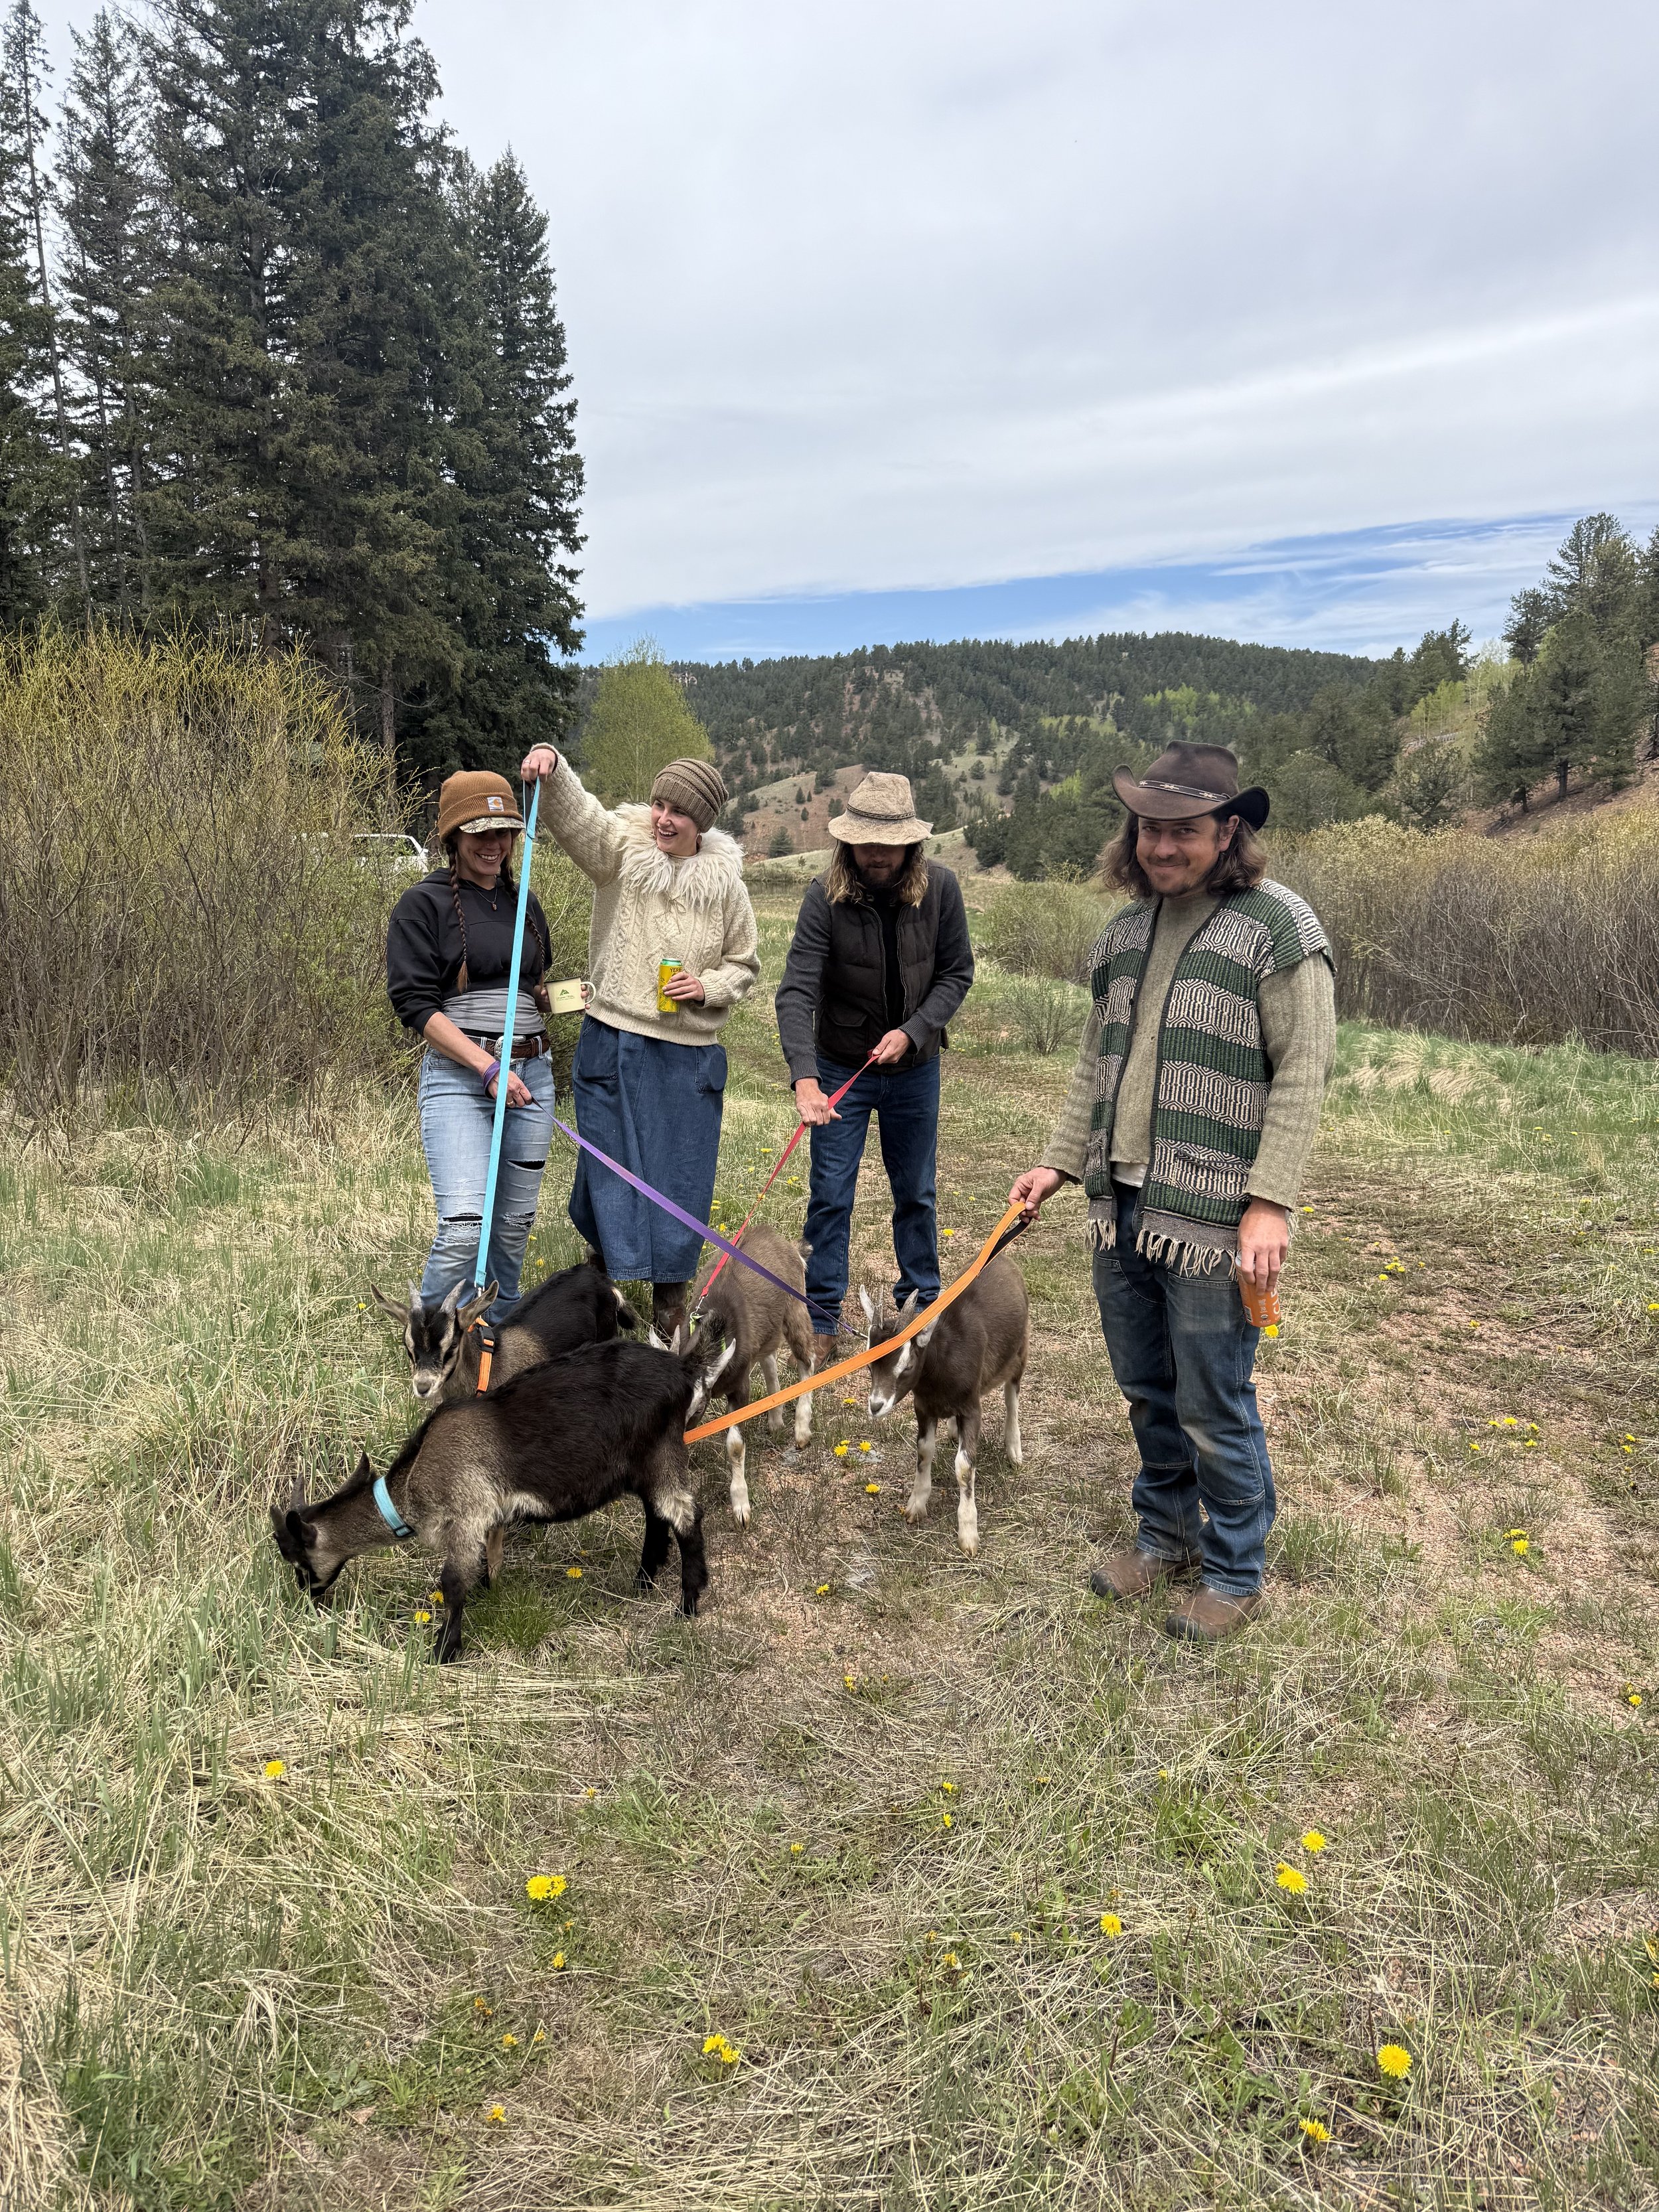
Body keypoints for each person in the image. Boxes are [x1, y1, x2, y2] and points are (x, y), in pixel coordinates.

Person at [1008, 742, 1335, 1643]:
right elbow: (1092, 1063)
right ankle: (1166, 1538)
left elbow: (1304, 1072)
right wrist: (1059, 1161)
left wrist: (1271, 1200)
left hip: (1217, 1213)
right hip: (1121, 1205)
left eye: (1183, 830)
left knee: (1213, 1398)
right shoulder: (1122, 934)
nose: (1163, 846)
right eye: (1150, 828)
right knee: (1148, 1389)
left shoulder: (1279, 930)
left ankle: (1236, 1569)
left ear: (1229, 831)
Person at [518, 741, 758, 1341]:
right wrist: (554, 765)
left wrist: (707, 986)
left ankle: (668, 1324)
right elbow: (581, 820)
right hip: (615, 1044)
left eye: (679, 810)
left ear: (702, 822)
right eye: (658, 803)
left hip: (688, 1059)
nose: (664, 818)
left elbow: (746, 964)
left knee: (677, 1187)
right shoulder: (622, 851)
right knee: (610, 1183)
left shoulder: (726, 885)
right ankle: (603, 1314)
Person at [774, 771, 975, 1364]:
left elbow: (956, 974)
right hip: (841, 1068)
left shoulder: (941, 889)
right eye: (866, 843)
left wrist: (913, 1033)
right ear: (847, 843)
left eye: (889, 843)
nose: (877, 854)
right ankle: (822, 1317)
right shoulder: (824, 897)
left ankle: (921, 1306)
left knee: (916, 1190)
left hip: (916, 1069)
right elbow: (796, 992)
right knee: (831, 1195)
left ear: (912, 844)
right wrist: (805, 1079)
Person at [386, 770, 558, 1323]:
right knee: (465, 1225)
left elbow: (528, 983)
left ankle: (496, 1340)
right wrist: (487, 1066)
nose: (493, 844)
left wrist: (554, 998)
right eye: (479, 832)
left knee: (511, 1226)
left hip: (533, 1077)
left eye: (504, 831)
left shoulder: (525, 900)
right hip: (462, 1078)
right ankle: (430, 1337)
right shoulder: (421, 904)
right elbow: (415, 1005)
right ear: (452, 836)